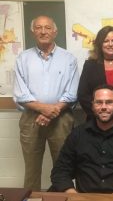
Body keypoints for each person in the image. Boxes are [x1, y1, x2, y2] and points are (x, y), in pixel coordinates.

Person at [13, 15, 79, 191]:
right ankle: (31, 197)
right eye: (39, 28)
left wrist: (52, 111)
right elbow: (21, 93)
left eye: (47, 28)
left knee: (63, 166)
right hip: (30, 118)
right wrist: (44, 109)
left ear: (55, 31)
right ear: (33, 31)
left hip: (62, 118)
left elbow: (71, 93)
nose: (43, 31)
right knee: (31, 168)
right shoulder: (22, 59)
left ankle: (62, 197)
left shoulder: (69, 58)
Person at [51, 84, 113, 194]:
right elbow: (60, 172)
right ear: (92, 105)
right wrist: (73, 195)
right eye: (99, 102)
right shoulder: (78, 134)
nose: (104, 107)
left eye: (109, 102)